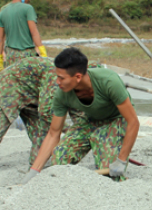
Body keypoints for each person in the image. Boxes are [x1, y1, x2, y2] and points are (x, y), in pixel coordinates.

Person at [24, 47, 138, 182]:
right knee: (59, 158)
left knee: (110, 173)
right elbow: (53, 134)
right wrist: (34, 171)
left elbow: (133, 122)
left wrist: (122, 160)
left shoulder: (108, 81)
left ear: (78, 77)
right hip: (90, 119)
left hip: (115, 119)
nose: (57, 82)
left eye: (61, 78)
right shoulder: (62, 94)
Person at [0, 57, 58, 175]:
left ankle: (36, 170)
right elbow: (46, 111)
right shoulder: (57, 78)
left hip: (32, 94)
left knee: (42, 133)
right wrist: (66, 128)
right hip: (9, 88)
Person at [0, 0, 47, 72]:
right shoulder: (28, 9)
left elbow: (0, 39)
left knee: (13, 83)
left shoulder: (3, 11)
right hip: (27, 56)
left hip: (10, 56)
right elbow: (34, 32)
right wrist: (43, 54)